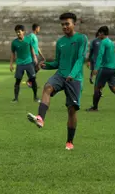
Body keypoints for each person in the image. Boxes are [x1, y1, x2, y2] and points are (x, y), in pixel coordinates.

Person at [26, 12, 88, 150]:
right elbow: (58, 63)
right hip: (61, 75)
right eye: (62, 24)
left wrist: (72, 74)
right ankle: (40, 118)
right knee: (47, 87)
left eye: (67, 24)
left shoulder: (81, 39)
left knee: (71, 110)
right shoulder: (60, 42)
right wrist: (46, 65)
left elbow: (80, 59)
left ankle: (69, 142)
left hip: (75, 78)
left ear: (74, 24)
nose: (64, 26)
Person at [86, 26, 115, 112]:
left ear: (102, 33)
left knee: (97, 88)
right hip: (112, 69)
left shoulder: (103, 42)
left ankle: (94, 107)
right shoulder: (111, 42)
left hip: (104, 69)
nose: (98, 35)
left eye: (99, 33)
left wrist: (96, 68)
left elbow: (100, 55)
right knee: (114, 88)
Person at [10, 24, 39, 103]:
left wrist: (35, 57)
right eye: (16, 32)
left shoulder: (28, 39)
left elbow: (32, 49)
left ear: (23, 32)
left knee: (33, 80)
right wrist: (11, 64)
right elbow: (12, 53)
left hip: (29, 63)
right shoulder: (14, 43)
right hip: (20, 64)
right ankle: (15, 98)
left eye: (19, 32)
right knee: (18, 81)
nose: (18, 33)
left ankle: (36, 97)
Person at [26, 23, 46, 88]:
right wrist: (34, 55)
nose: (39, 30)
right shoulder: (31, 36)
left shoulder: (35, 36)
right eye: (39, 28)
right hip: (32, 55)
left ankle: (30, 81)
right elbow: (30, 46)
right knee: (35, 68)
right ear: (36, 28)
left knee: (37, 67)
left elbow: (37, 47)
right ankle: (31, 82)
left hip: (36, 55)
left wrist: (42, 55)